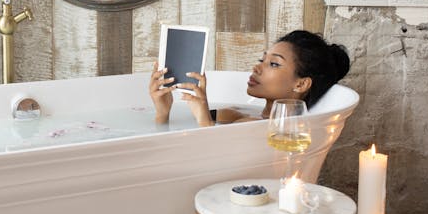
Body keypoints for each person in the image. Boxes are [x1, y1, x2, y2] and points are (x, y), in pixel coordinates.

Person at [149, 30, 350, 126]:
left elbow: (212, 164)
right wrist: (163, 111)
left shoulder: (286, 132)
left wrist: (203, 119)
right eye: (261, 59)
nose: (257, 67)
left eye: (274, 64)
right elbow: (172, 138)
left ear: (301, 83)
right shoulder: (239, 114)